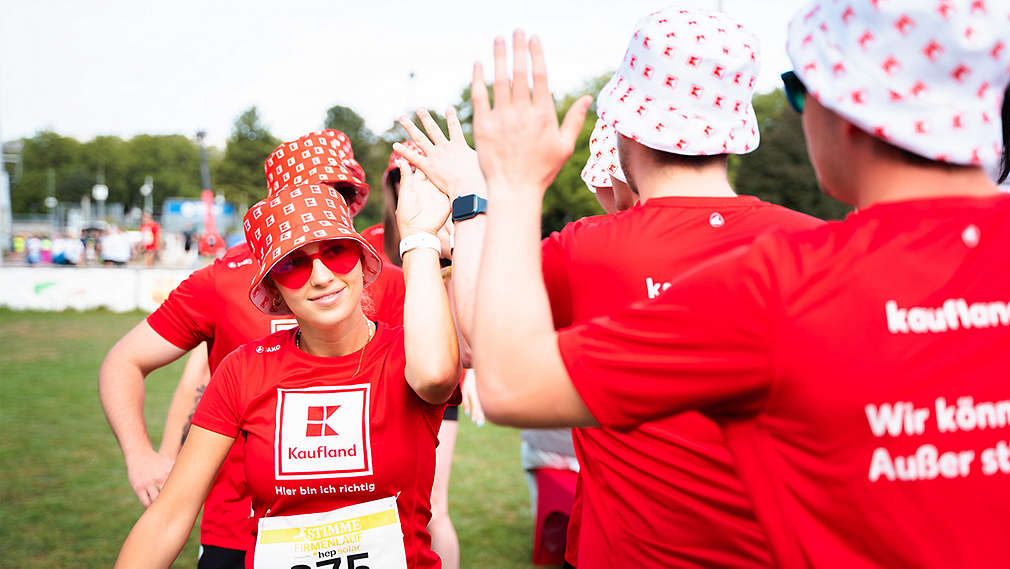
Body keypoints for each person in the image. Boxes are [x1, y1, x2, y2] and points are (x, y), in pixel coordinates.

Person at [464, 2, 1010, 568]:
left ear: (844, 109)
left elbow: (511, 385)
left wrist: (513, 184)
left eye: (799, 90)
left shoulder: (785, 281)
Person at [398, 11, 823, 566]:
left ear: (623, 126)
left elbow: (482, 346)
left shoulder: (590, 249)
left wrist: (473, 195)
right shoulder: (816, 246)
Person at [115, 165, 461, 568]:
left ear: (361, 260)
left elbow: (436, 376)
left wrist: (419, 239)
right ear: (273, 290)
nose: (321, 276)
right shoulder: (243, 370)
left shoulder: (409, 355)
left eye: (335, 250)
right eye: (292, 264)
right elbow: (168, 517)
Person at [359, 145, 462, 569]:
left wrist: (450, 250)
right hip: (372, 383)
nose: (416, 186)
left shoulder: (454, 238)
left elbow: (466, 322)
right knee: (372, 502)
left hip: (435, 381)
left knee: (434, 505)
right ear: (392, 184)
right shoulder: (367, 243)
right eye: (406, 176)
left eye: (426, 176)